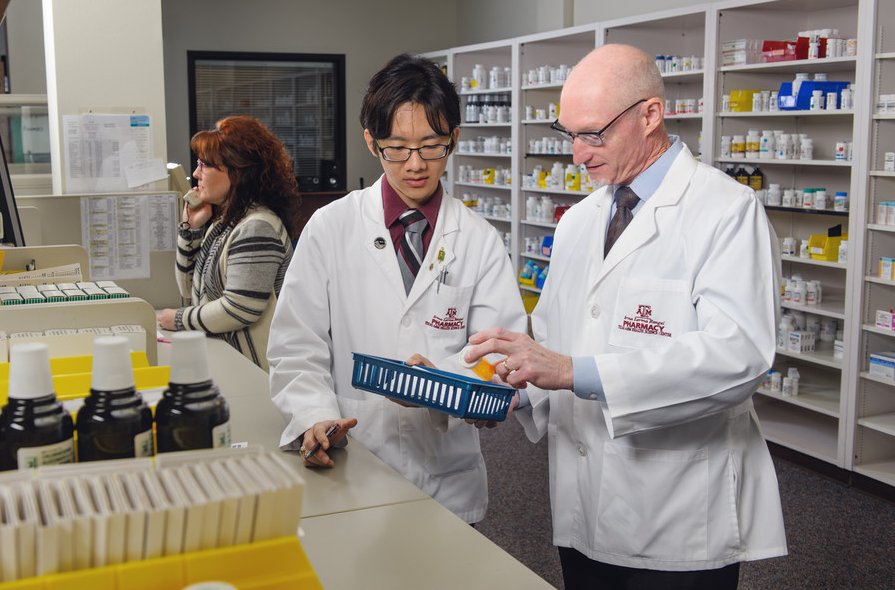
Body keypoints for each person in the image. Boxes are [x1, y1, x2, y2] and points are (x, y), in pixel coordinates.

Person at [466, 44, 787, 589]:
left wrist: (574, 372)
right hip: (581, 503)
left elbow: (739, 356)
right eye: (569, 134)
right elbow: (553, 341)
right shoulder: (579, 221)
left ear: (650, 115)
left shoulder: (725, 211)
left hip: (678, 516)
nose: (577, 155)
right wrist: (509, 389)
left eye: (594, 134)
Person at [267, 53, 528, 524]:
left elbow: (501, 349)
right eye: (397, 147)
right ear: (371, 141)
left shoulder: (478, 238)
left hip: (446, 472)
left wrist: (441, 383)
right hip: (355, 456)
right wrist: (314, 416)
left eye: (432, 146)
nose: (416, 165)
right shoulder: (330, 227)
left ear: (454, 139)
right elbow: (296, 346)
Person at [158, 116, 298, 371]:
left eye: (206, 165)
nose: (196, 173)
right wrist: (191, 229)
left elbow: (239, 308)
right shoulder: (227, 222)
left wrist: (178, 319)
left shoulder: (257, 228)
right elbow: (189, 289)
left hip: (258, 373)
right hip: (231, 360)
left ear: (238, 171)